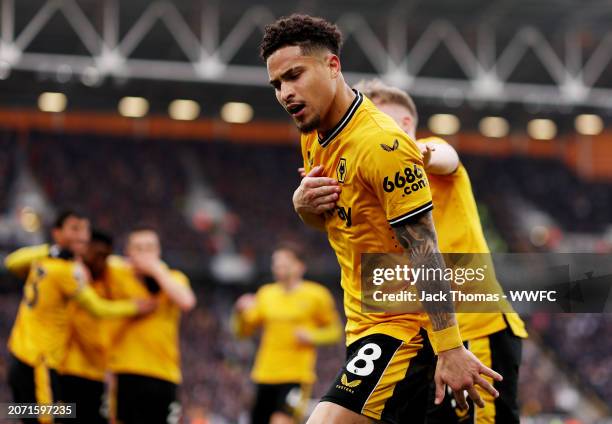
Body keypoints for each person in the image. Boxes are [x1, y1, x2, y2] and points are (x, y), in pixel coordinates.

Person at [261, 14, 502, 424]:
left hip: (403, 328)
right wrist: (304, 210)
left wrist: (449, 347)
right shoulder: (313, 136)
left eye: (295, 75)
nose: (286, 93)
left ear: (332, 66)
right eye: (277, 85)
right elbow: (343, 222)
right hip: (362, 324)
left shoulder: (381, 145)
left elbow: (424, 247)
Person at [354, 78, 528, 423]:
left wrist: (419, 153)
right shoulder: (376, 181)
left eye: (376, 117)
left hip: (477, 327)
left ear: (405, 124)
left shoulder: (430, 152)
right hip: (427, 338)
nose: (368, 129)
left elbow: (448, 157)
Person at [6, 211, 155, 423]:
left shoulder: (47, 262)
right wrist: (134, 307)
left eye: (84, 231)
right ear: (58, 233)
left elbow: (12, 261)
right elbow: (97, 307)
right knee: (46, 416)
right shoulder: (68, 273)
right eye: (76, 230)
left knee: (28, 413)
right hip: (46, 364)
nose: (82, 239)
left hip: (33, 359)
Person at [232, 243, 342, 424]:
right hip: (264, 374)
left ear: (300, 266)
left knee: (282, 421)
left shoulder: (316, 295)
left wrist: (312, 336)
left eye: (284, 263)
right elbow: (242, 332)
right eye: (275, 263)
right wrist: (239, 312)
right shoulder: (266, 294)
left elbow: (335, 331)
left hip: (296, 376)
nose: (278, 267)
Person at [107, 225, 196, 424]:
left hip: (164, 373)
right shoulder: (117, 275)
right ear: (128, 252)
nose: (145, 254)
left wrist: (156, 269)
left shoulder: (173, 278)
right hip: (126, 370)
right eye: (138, 248)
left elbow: (187, 301)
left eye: (149, 248)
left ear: (158, 252)